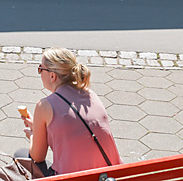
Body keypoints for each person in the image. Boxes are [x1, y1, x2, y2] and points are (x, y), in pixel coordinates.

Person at [20, 47, 121, 175]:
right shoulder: (91, 95)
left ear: (52, 76)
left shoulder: (44, 106)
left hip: (73, 179)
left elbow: (37, 156)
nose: (39, 73)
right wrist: (38, 127)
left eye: (40, 69)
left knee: (21, 154)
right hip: (111, 175)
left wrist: (33, 135)